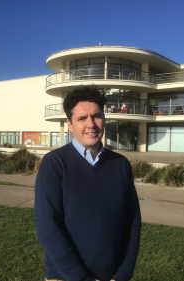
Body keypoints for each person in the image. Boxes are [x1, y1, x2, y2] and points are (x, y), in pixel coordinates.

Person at [35, 86, 141, 281]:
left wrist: (123, 274)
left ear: (104, 119)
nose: (91, 124)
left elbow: (132, 222)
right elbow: (48, 228)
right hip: (66, 277)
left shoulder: (120, 165)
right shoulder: (54, 164)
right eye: (82, 118)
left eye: (97, 116)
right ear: (69, 123)